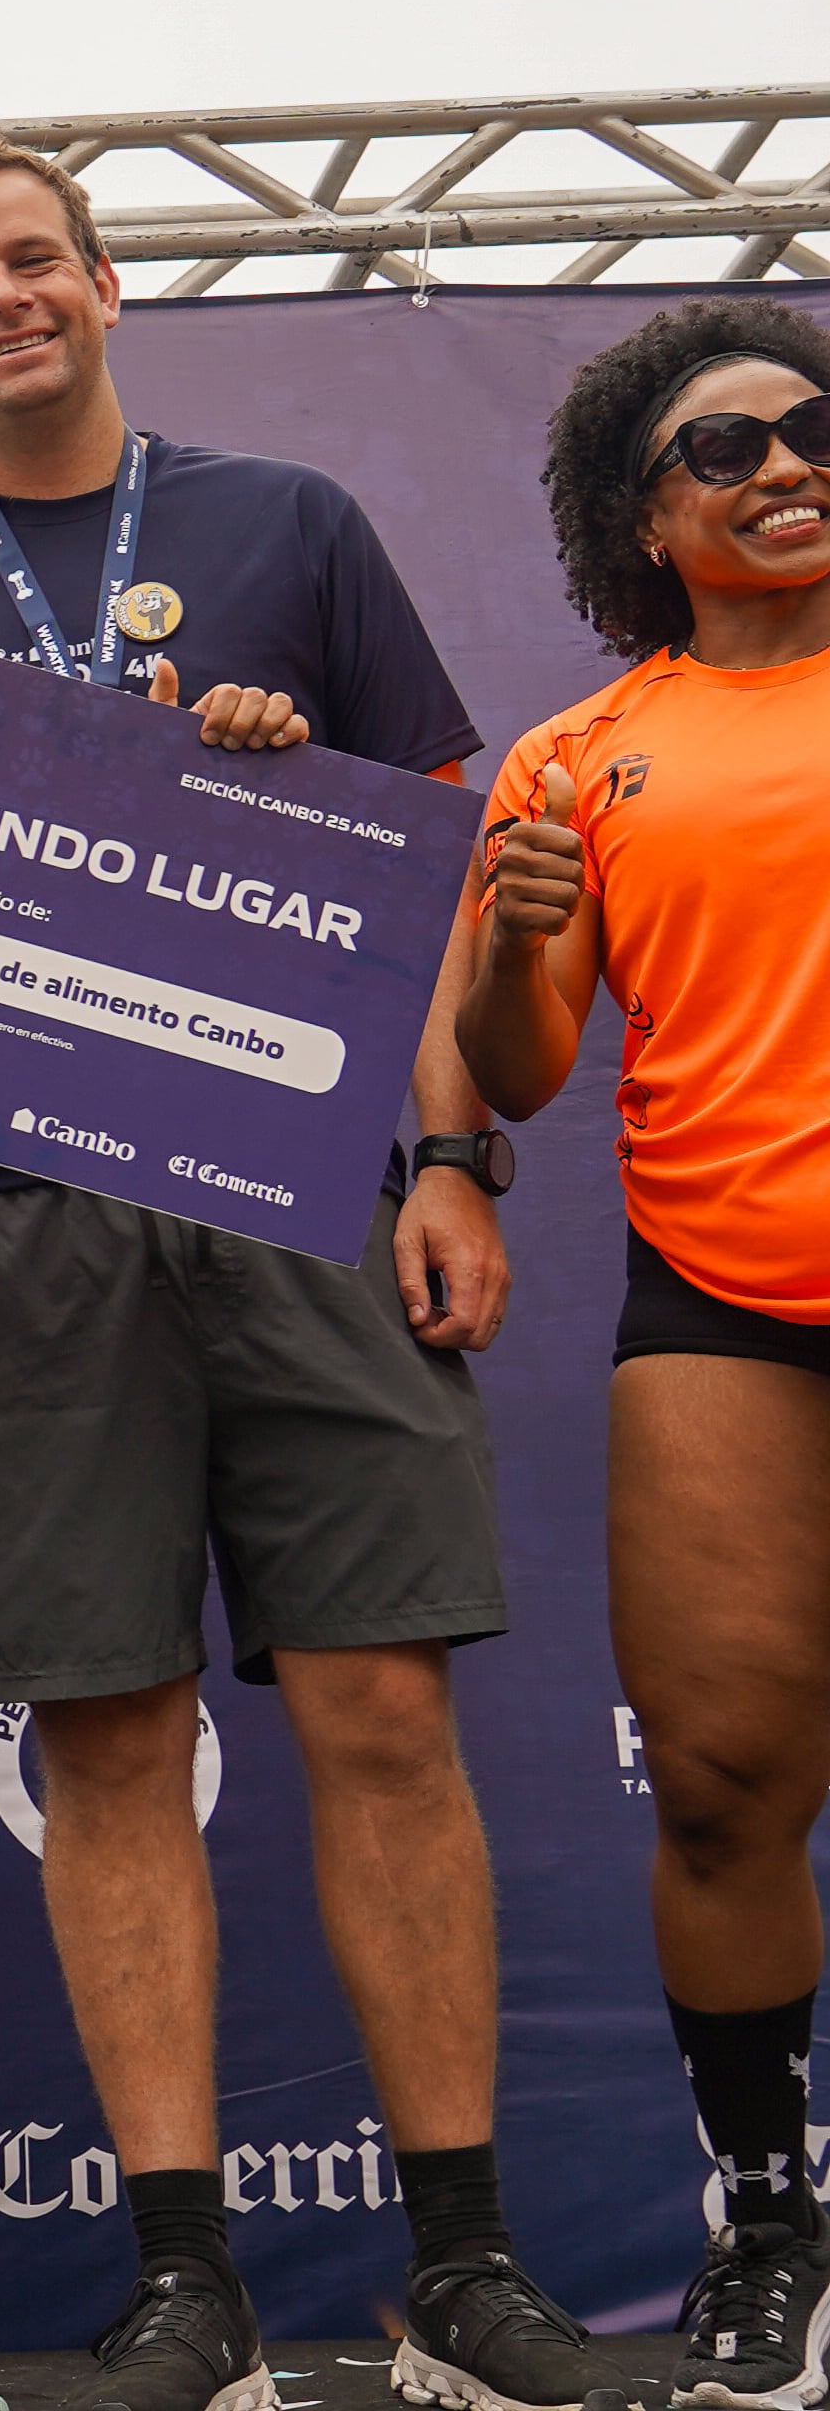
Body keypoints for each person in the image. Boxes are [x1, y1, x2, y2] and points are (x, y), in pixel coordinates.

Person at [0, 127, 611, 2411]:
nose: (5, 299)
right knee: (111, 1732)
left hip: (301, 1179)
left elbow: (440, 864)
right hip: (8, 1203)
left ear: (110, 283)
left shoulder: (290, 528)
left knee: (378, 1710)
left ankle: (455, 2263)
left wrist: (450, 1151)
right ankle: (187, 2284)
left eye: (36, 258)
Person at [460, 296, 830, 2400]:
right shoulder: (580, 754)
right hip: (726, 1309)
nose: (781, 464)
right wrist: (516, 937)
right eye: (724, 448)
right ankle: (773, 2215)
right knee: (717, 1789)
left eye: (810, 426)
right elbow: (512, 1074)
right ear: (646, 517)